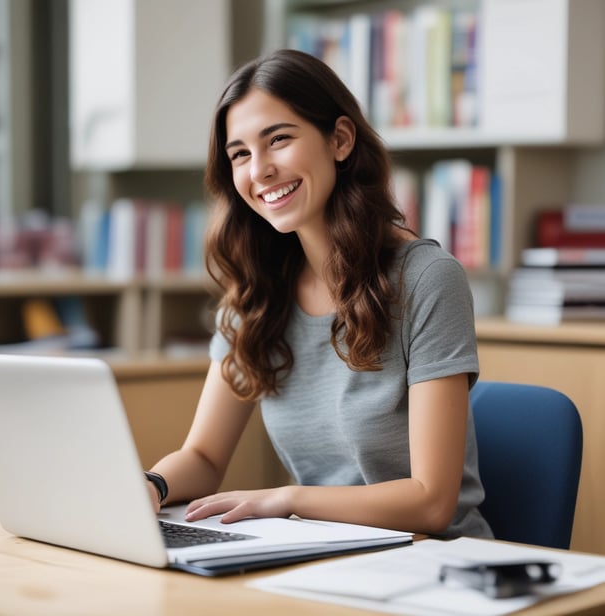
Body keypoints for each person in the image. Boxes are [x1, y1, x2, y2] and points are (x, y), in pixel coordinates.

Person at [145, 48, 493, 539]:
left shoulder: (427, 278)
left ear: (341, 140)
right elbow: (202, 457)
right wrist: (151, 485)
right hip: (324, 556)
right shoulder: (258, 294)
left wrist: (285, 501)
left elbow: (431, 502)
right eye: (240, 153)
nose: (259, 170)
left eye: (279, 140)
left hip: (435, 565)